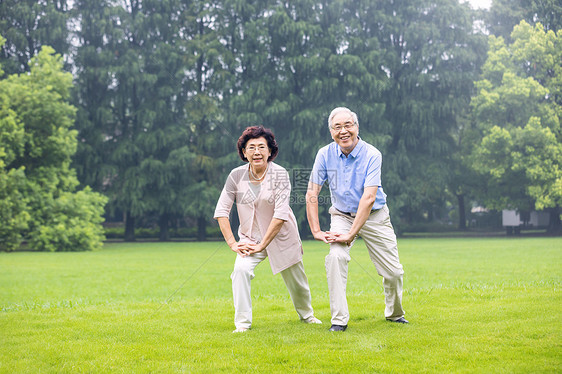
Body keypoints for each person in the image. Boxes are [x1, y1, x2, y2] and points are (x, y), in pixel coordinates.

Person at [306, 107, 407, 332]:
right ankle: (339, 320)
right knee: (335, 257)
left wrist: (352, 234)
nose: (343, 131)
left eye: (348, 125)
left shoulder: (372, 154)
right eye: (337, 127)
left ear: (357, 127)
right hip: (341, 215)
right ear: (331, 132)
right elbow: (312, 193)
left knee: (393, 272)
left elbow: (369, 197)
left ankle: (394, 314)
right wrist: (316, 230)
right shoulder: (324, 154)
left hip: (374, 216)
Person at [214, 126, 322, 333]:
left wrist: (263, 244)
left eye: (262, 147)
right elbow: (222, 210)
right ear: (244, 152)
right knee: (240, 270)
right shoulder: (235, 175)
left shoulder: (280, 174)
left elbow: (281, 214)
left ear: (270, 151)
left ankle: (307, 315)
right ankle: (242, 325)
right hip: (249, 239)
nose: (257, 152)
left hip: (281, 237)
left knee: (297, 282)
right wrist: (233, 244)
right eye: (251, 147)